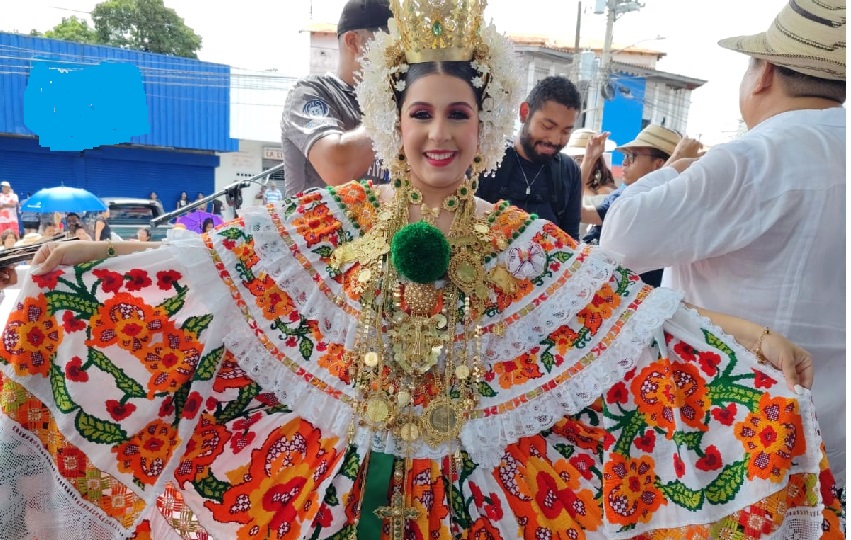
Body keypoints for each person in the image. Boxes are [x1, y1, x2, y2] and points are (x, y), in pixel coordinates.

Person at [0, 2, 840, 539]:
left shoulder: (517, 236)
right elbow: (215, 258)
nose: (439, 134)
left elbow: (626, 309)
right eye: (422, 113)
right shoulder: (341, 216)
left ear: (484, 126)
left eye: (459, 115)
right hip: (340, 489)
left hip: (470, 500)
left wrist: (748, 334)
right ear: (393, 123)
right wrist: (92, 253)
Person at [601, 0, 846, 499]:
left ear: (764, 74)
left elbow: (621, 240)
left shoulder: (758, 155)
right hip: (833, 438)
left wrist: (674, 169)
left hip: (732, 438)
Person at [280, 0, 392, 197]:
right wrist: (395, 108)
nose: (398, 56)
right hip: (316, 226)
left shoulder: (394, 100)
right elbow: (338, 167)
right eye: (390, 45)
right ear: (353, 42)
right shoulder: (310, 92)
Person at [582, 124, 691, 287]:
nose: (625, 162)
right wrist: (589, 159)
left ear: (659, 165)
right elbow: (579, 212)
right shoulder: (624, 194)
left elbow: (579, 213)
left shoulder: (642, 203)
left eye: (633, 156)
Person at [476, 76, 583, 239]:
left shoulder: (568, 172)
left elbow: (571, 243)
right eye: (547, 126)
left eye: (565, 131)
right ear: (525, 113)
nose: (554, 139)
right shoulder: (488, 159)